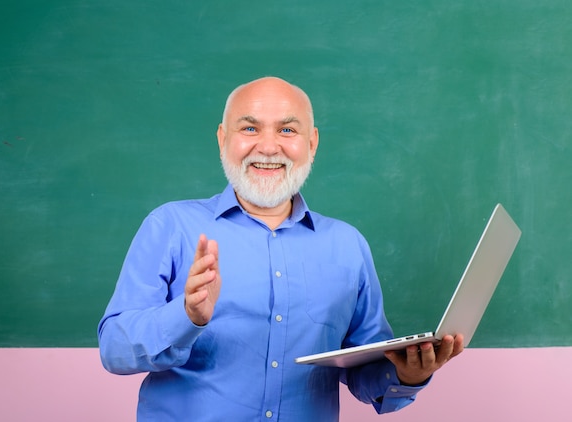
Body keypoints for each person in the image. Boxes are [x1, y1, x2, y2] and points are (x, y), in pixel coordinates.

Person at [98, 76, 464, 421]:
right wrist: (186, 315)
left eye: (287, 130)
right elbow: (115, 350)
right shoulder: (170, 226)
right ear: (223, 138)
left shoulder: (347, 246)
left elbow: (367, 370)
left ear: (312, 142)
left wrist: (409, 373)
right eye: (250, 128)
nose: (269, 146)